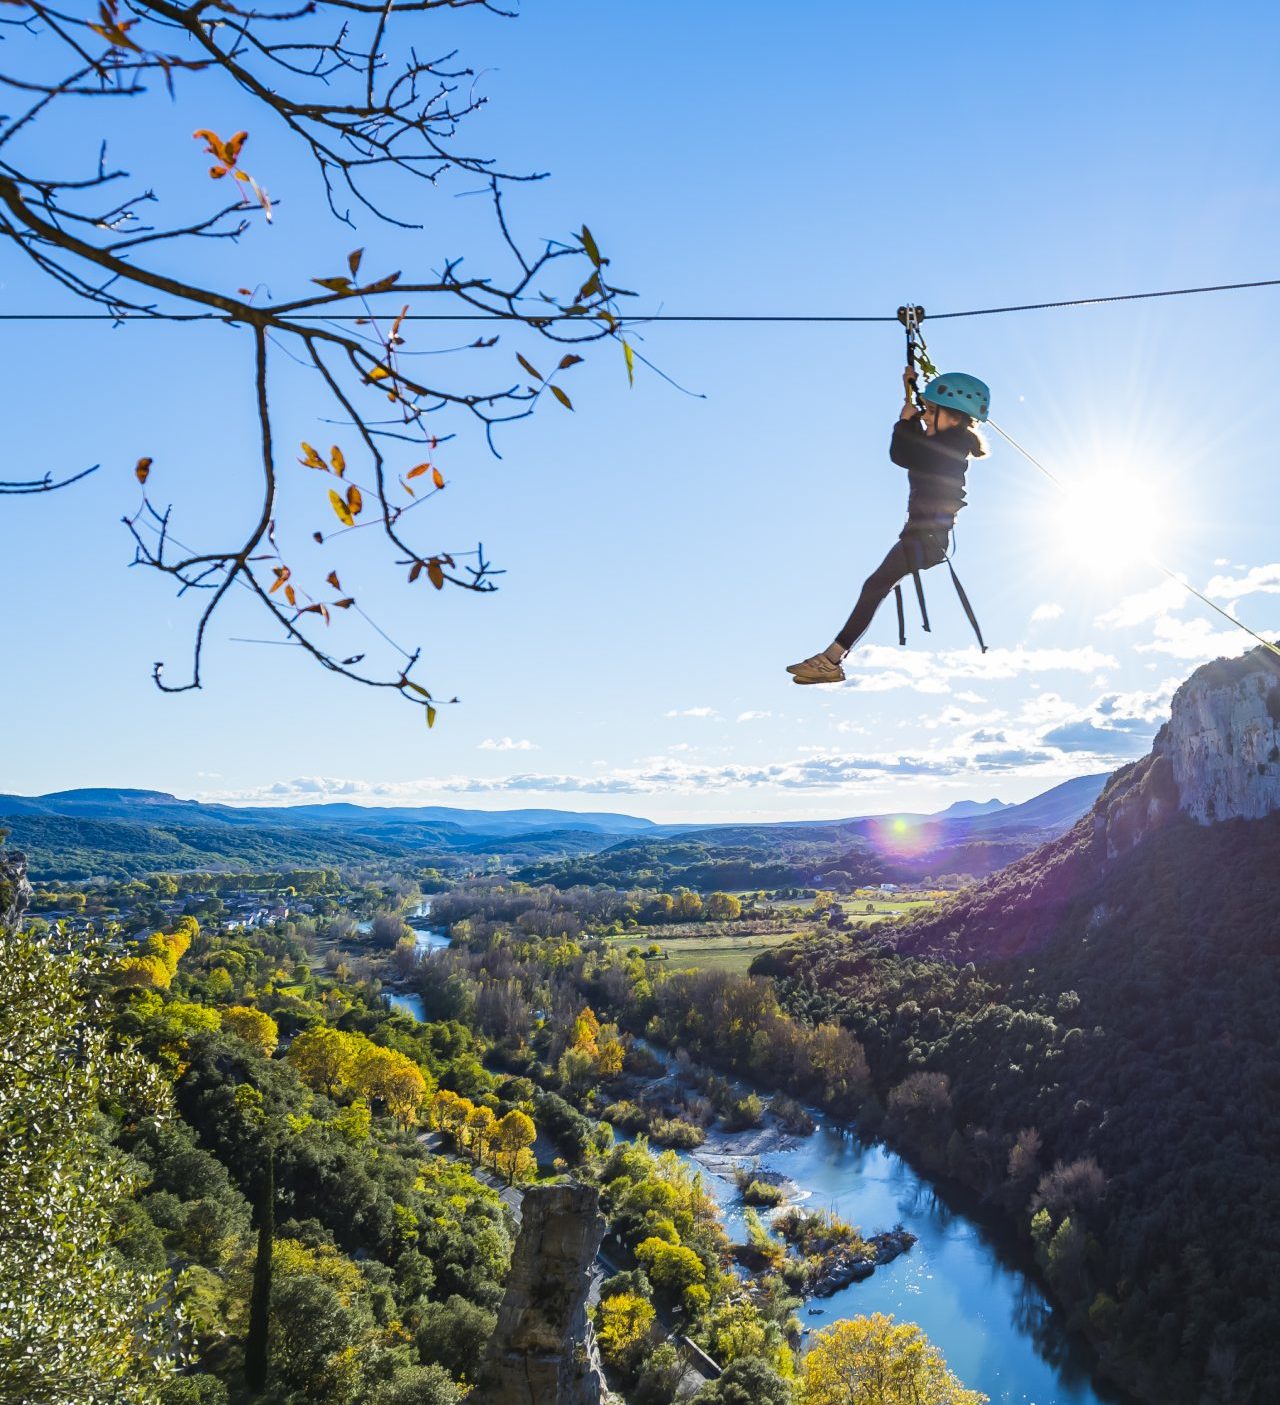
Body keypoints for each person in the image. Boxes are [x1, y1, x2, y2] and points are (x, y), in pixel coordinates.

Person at [787, 367, 990, 685]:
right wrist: (910, 389)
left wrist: (904, 420)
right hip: (924, 537)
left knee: (875, 586)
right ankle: (831, 659)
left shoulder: (947, 451)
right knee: (875, 586)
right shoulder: (946, 445)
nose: (925, 418)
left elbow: (902, 452)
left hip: (927, 539)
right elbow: (915, 446)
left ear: (953, 418)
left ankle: (831, 660)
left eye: (932, 412)